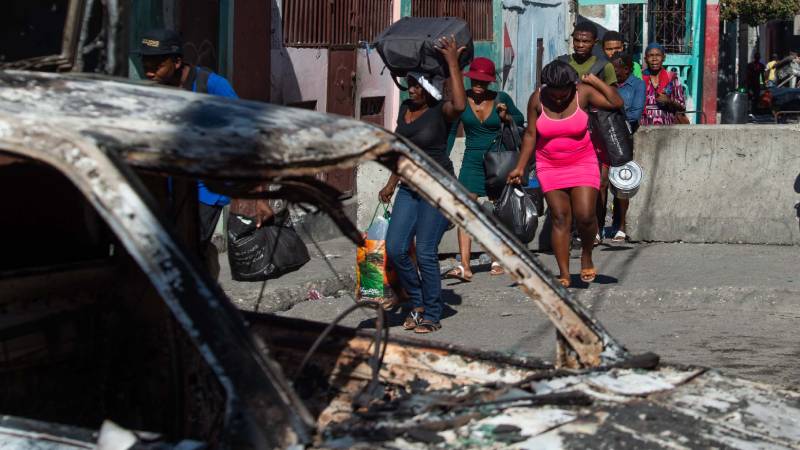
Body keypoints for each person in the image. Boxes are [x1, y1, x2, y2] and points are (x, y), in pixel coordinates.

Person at [138, 29, 271, 268]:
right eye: (145, 64)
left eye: (156, 65)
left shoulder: (212, 86)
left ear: (177, 62)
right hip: (166, 186)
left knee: (186, 251)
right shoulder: (153, 89)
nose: (149, 72)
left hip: (205, 189)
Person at [507, 61, 623, 288]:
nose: (559, 99)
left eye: (564, 94)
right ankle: (564, 273)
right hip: (549, 165)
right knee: (560, 217)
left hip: (583, 161)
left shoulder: (584, 92)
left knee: (586, 215)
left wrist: (594, 81)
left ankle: (587, 255)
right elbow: (531, 134)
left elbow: (615, 102)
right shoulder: (537, 99)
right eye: (554, 94)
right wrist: (520, 166)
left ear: (573, 85)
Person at [378, 36, 466, 334]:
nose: (412, 89)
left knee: (426, 251)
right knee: (396, 247)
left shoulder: (442, 112)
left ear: (430, 87)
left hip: (438, 188)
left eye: (418, 85)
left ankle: (432, 312)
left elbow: (461, 104)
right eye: (410, 84)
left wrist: (453, 61)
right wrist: (392, 182)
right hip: (409, 186)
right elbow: (403, 148)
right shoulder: (405, 108)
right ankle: (416, 303)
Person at [444, 57, 525, 282]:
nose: (478, 85)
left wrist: (505, 116)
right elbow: (451, 131)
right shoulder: (461, 100)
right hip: (471, 160)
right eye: (475, 81)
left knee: (498, 209)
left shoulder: (501, 98)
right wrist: (443, 158)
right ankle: (465, 265)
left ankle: (497, 257)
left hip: (497, 161)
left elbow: (520, 119)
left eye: (483, 81)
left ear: (489, 82)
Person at [608, 52, 645, 243]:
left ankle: (621, 226)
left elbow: (635, 113)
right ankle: (599, 227)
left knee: (622, 182)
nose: (613, 73)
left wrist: (611, 114)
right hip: (605, 134)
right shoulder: (606, 83)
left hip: (624, 136)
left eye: (616, 70)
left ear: (626, 69)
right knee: (601, 183)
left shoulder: (637, 85)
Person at [640, 42, 686, 126]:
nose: (654, 59)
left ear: (663, 58)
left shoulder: (671, 78)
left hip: (667, 128)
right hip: (644, 127)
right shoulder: (640, 78)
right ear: (645, 59)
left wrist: (669, 101)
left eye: (658, 55)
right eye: (650, 55)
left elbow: (682, 106)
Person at [559, 21, 617, 86]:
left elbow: (613, 94)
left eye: (586, 41)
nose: (580, 45)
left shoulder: (605, 66)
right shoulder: (560, 63)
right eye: (576, 40)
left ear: (595, 42)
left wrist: (596, 82)